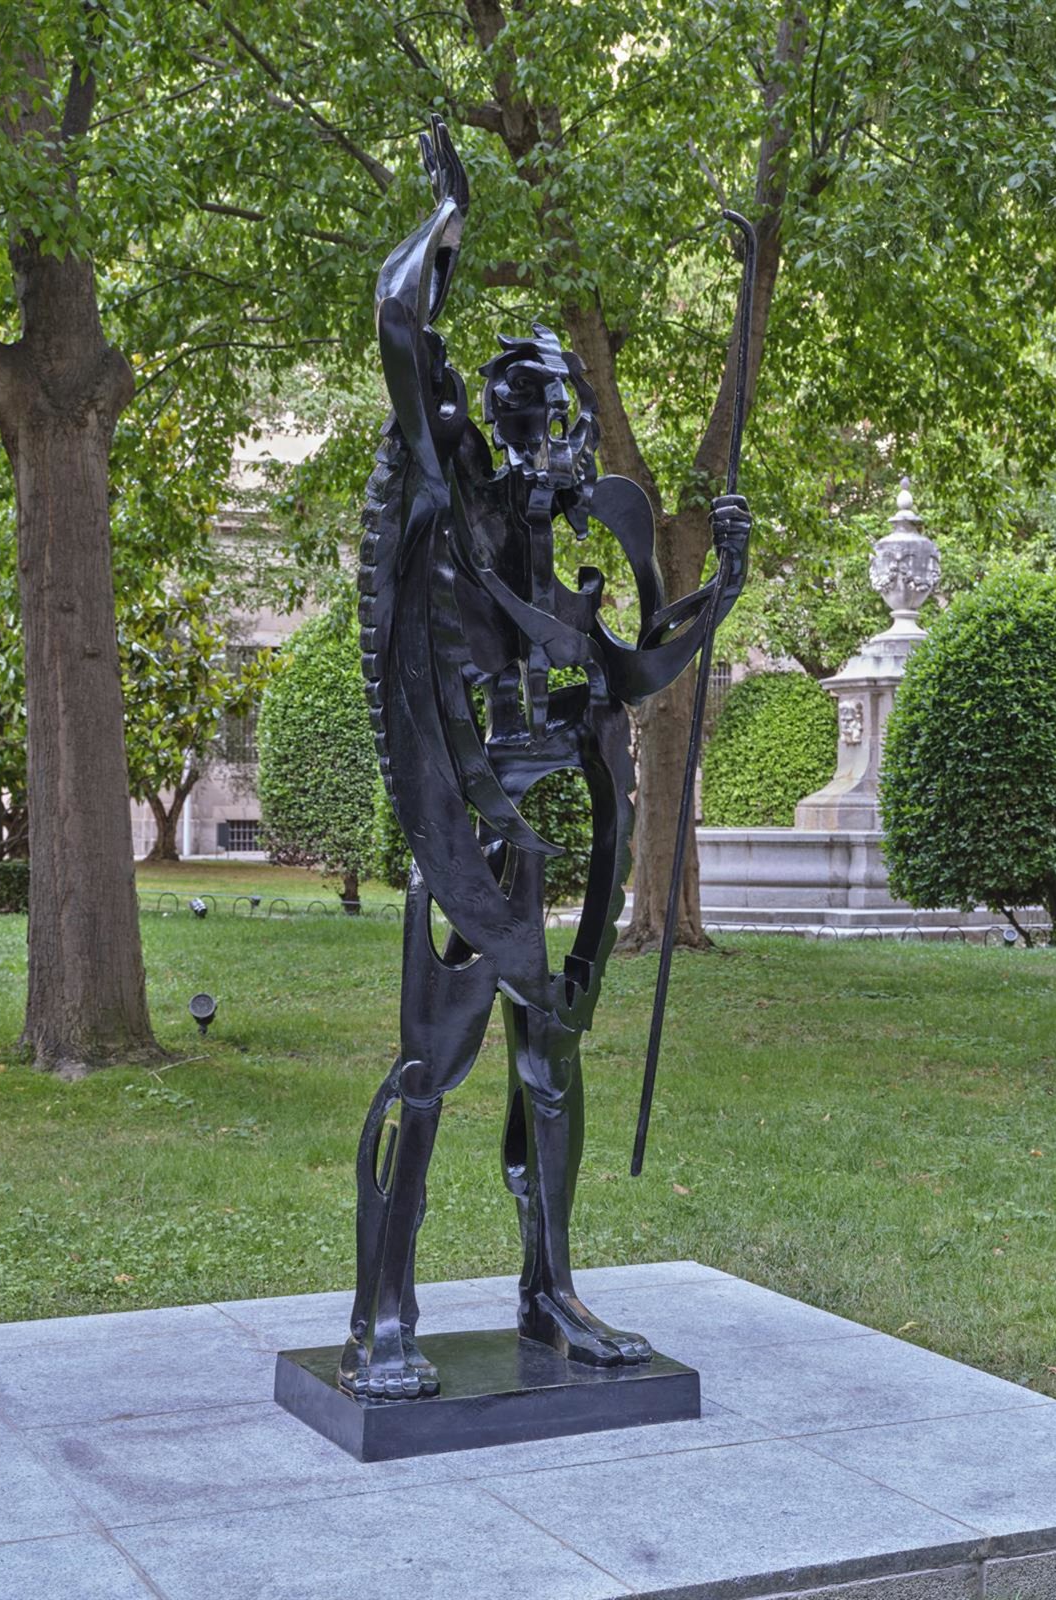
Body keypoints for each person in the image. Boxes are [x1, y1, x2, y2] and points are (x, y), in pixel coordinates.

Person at [343, 118, 750, 1400]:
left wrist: (718, 595)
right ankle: (383, 1314)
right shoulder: (448, 490)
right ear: (497, 418)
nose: (552, 440)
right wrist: (447, 218)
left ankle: (551, 1290)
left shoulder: (572, 531)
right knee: (430, 1067)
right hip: (464, 822)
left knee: (550, 1063)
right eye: (529, 413)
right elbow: (400, 324)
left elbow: (630, 676)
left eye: (561, 417)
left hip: (555, 817)